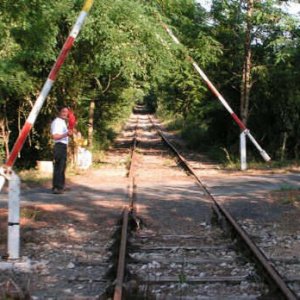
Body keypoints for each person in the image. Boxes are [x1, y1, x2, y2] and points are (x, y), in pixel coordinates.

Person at [51, 107, 73, 194]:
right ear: (59, 112)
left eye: (67, 112)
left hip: (63, 146)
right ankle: (56, 187)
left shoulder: (63, 122)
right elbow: (55, 136)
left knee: (62, 166)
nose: (65, 113)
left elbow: (64, 134)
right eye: (63, 111)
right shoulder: (57, 122)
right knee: (59, 167)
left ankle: (61, 186)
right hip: (59, 146)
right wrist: (66, 134)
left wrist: (70, 133)